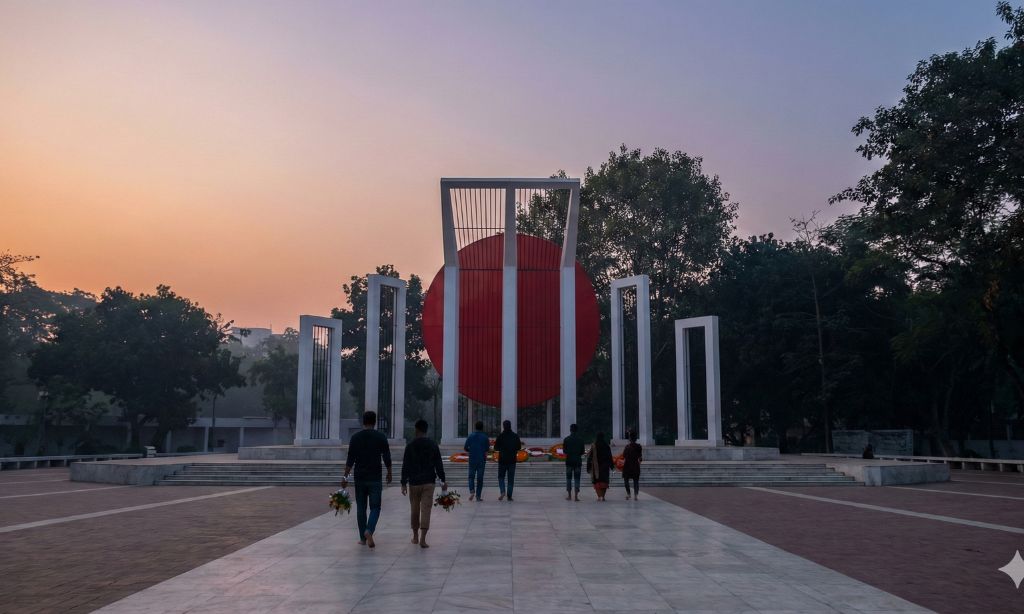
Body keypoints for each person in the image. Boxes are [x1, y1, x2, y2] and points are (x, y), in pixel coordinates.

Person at [343, 411, 392, 548]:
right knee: (375, 507)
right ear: (375, 422)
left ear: (363, 422)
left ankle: (362, 538)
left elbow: (350, 459)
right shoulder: (380, 437)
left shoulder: (355, 438)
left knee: (361, 507)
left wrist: (345, 477)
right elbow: (387, 457)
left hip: (360, 477)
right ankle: (369, 530)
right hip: (375, 477)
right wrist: (389, 473)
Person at [401, 419, 447, 548]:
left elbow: (406, 465)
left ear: (416, 429)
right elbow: (438, 464)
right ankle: (423, 539)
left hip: (414, 482)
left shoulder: (410, 446)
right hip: (428, 482)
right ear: (426, 430)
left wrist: (403, 483)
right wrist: (442, 480)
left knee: (414, 510)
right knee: (426, 509)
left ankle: (415, 536)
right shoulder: (432, 445)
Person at [494, 419, 522, 502]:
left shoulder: (500, 436)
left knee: (501, 477)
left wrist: (502, 448)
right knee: (511, 479)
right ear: (510, 426)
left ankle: (502, 491)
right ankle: (509, 496)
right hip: (512, 460)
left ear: (503, 426)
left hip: (502, 460)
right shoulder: (515, 436)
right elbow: (519, 447)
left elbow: (496, 447)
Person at [464, 420, 489, 501]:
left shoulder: (470, 436)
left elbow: (465, 447)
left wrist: (471, 450)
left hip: (472, 459)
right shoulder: (485, 437)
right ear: (482, 428)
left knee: (471, 477)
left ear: (475, 427)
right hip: (481, 460)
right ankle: (478, 496)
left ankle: (472, 490)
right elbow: (487, 449)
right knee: (480, 478)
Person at [586, 432, 613, 501]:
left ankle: (599, 496)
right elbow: (610, 456)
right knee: (604, 481)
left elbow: (590, 457)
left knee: (597, 481)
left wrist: (588, 467)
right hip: (605, 466)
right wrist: (611, 465)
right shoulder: (606, 445)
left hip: (596, 467)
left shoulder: (594, 445)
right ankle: (603, 496)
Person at [563, 423, 585, 501]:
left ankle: (569, 496)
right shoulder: (581, 440)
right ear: (577, 430)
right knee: (577, 479)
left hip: (569, 461)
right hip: (578, 461)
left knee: (568, 478)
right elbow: (582, 452)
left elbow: (564, 451)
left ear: (570, 430)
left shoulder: (566, 439)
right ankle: (576, 496)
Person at [622, 430, 643, 500]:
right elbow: (640, 457)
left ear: (630, 438)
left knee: (626, 480)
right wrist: (639, 462)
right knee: (636, 481)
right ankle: (636, 495)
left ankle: (628, 494)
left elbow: (624, 456)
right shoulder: (639, 446)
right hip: (635, 465)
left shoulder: (627, 447)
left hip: (627, 465)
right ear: (636, 438)